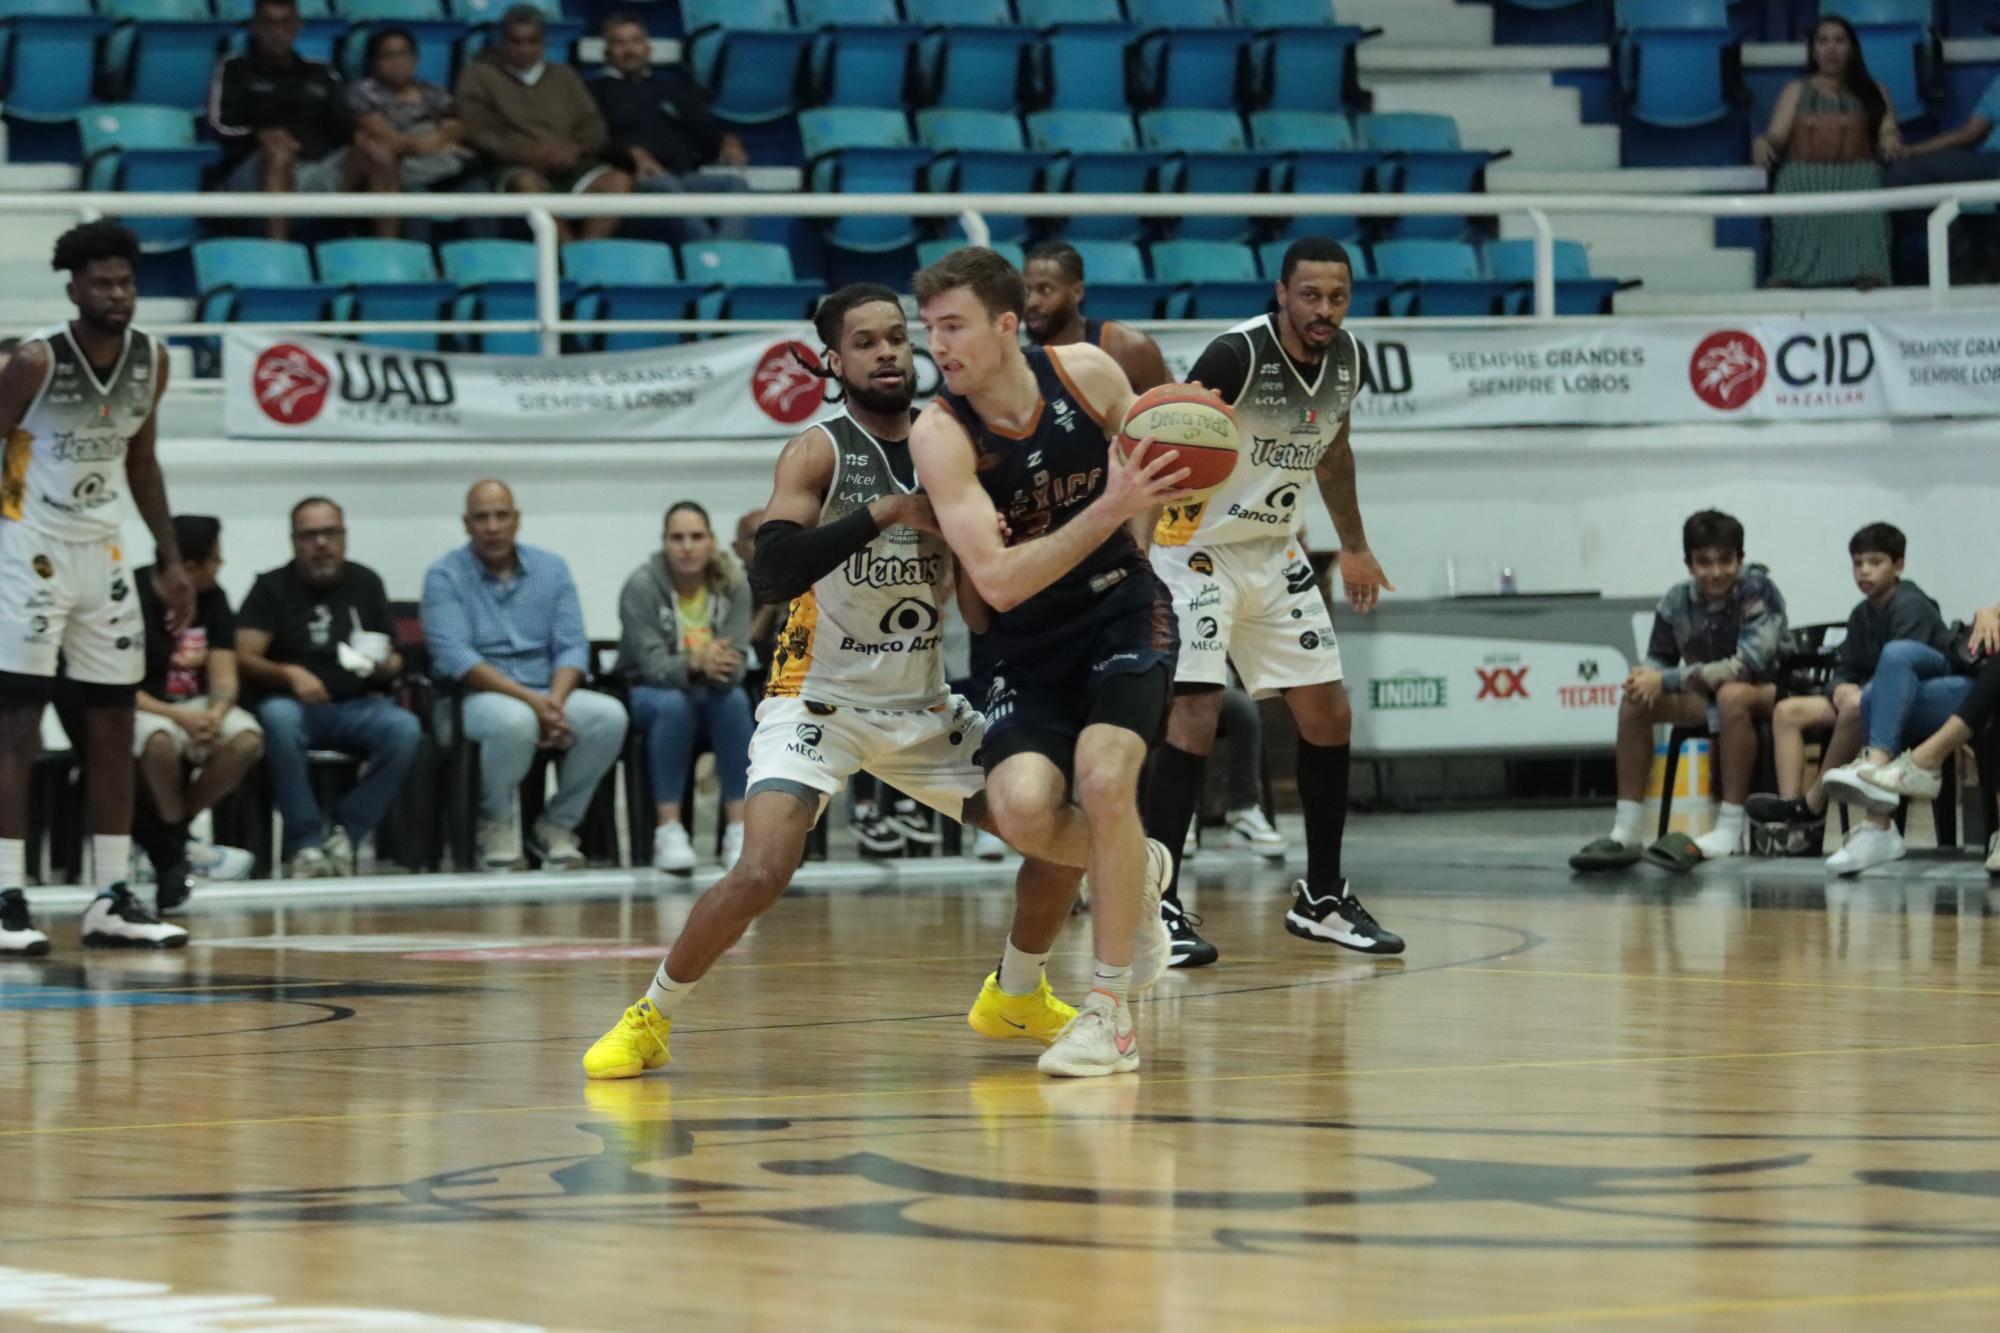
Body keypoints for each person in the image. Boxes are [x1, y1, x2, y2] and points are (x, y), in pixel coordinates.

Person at [581, 283, 1170, 1082]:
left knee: (1046, 824)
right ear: (834, 360)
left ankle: (1017, 991)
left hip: (920, 703)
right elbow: (771, 572)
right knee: (762, 869)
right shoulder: (819, 450)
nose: (888, 352)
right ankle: (650, 1015)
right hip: (817, 703)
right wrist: (889, 512)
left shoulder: (950, 438)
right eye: (865, 342)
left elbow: (982, 603)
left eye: (897, 336)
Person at [912, 247, 1188, 1077]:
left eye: (953, 326)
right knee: (1024, 813)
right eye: (930, 330)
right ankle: (1138, 865)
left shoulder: (1087, 374)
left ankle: (1108, 1013)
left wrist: (1138, 530)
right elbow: (997, 582)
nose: (939, 346)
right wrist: (1110, 508)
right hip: (1023, 642)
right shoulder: (940, 433)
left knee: (1104, 778)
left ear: (1006, 325)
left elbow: (1162, 463)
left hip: (1120, 611)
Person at [1139, 237, 1400, 968]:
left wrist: (1355, 545)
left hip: (1274, 549)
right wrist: (1135, 558)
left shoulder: (1348, 360)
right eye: (1310, 295)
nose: (1324, 310)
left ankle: (1322, 898)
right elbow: (1163, 449)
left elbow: (1335, 454)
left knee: (1329, 714)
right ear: (1282, 292)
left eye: (1338, 297)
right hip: (1192, 549)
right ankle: (1156, 904)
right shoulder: (1235, 356)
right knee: (1195, 713)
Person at [0, 221, 191, 954]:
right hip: (29, 547)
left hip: (102, 550)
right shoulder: (35, 360)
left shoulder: (152, 360)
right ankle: (6, 894)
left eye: (126, 282)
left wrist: (169, 558)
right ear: (74, 288)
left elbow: (141, 461)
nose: (118, 294)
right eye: (103, 283)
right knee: (17, 723)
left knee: (113, 719)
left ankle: (112, 895)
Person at [422, 479, 627, 872]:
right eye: (482, 517)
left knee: (608, 717)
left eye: (501, 516)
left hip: (548, 692)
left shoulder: (552, 569)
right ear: (466, 524)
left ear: (516, 520)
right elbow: (457, 659)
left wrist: (554, 702)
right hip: (470, 701)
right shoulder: (444, 576)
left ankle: (556, 825)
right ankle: (494, 824)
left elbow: (572, 646)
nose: (492, 527)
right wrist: (535, 704)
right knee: (515, 721)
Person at [1570, 510, 1788, 874]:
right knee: (1636, 702)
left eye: (1725, 560)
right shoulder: (1676, 599)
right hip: (1706, 694)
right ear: (1689, 564)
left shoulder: (1758, 590)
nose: (1715, 572)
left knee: (1732, 694)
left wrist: (1666, 680)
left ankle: (1729, 828)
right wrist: (1644, 678)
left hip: (1769, 691)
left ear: (1740, 559)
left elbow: (1748, 665)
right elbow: (1659, 658)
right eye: (1704, 562)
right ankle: (1627, 829)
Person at [237, 497, 422, 878]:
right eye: (310, 535)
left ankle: (345, 835)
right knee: (278, 718)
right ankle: (304, 843)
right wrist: (290, 675)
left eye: (329, 533)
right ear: (294, 541)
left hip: (355, 703)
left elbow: (392, 653)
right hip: (293, 706)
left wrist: (388, 665)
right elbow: (244, 656)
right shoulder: (271, 587)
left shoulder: (365, 582)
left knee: (404, 728)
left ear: (344, 536)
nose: (321, 544)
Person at [1746, 522, 1949, 853]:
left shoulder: (1912, 605)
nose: (1864, 571)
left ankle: (1812, 807)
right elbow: (1844, 667)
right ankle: (1790, 814)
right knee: (1787, 711)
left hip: (1911, 703)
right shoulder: (1861, 613)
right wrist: (1839, 688)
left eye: (1875, 562)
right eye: (1858, 563)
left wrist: (1855, 692)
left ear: (1898, 566)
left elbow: (1901, 672)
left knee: (1857, 704)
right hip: (1864, 696)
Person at [616, 500, 753, 873]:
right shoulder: (642, 586)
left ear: (711, 541)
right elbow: (652, 666)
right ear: (664, 543)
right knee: (673, 705)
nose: (687, 547)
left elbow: (738, 660)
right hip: (647, 690)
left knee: (735, 701)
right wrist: (696, 662)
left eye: (696, 536)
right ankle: (669, 830)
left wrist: (720, 665)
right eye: (677, 538)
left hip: (711, 689)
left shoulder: (733, 586)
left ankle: (739, 828)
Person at [132, 514, 261, 908]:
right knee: (157, 741)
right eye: (216, 558)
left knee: (246, 738)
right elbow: (120, 688)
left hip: (197, 705)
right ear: (189, 567)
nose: (221, 566)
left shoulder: (213, 598)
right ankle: (176, 845)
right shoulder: (132, 596)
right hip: (146, 704)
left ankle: (171, 835)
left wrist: (216, 713)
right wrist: (180, 718)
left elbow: (224, 675)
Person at [208, 0, 399, 241]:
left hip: (313, 171)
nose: (278, 32)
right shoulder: (234, 68)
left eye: (285, 23)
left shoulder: (320, 72)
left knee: (378, 151)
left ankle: (389, 249)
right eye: (269, 23)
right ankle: (277, 250)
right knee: (279, 151)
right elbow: (219, 125)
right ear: (255, 27)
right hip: (252, 175)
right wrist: (258, 134)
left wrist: (365, 133)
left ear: (298, 26)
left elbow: (345, 126)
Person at [454, 5, 634, 243]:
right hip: (513, 166)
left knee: (618, 181)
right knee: (526, 184)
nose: (524, 49)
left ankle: (585, 252)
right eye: (516, 41)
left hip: (572, 164)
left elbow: (594, 125)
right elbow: (479, 130)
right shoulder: (478, 76)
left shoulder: (565, 76)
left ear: (544, 43)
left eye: (532, 41)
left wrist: (576, 149)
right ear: (502, 42)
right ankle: (565, 254)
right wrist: (530, 153)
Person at [1846, 599, 2000, 873]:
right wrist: (1986, 613)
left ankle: (1925, 760)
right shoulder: (1861, 613)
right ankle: (1877, 811)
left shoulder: (1911, 603)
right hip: (1976, 665)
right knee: (1891, 664)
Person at [1754, 16, 1899, 289]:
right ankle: (1790, 274)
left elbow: (1888, 131)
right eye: (1823, 41)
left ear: (1852, 49)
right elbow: (1776, 136)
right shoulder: (1796, 90)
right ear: (1813, 50)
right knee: (1791, 184)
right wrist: (1763, 143)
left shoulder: (1874, 90)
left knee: (1870, 180)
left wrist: (1890, 140)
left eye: (1839, 41)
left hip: (1857, 175)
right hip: (1804, 178)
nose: (1831, 48)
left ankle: (1869, 271)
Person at [589, 11, 751, 243]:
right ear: (607, 52)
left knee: (734, 184)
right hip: (634, 181)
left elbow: (705, 130)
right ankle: (711, 250)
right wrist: (632, 153)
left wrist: (728, 142)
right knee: (665, 185)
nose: (629, 50)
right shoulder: (594, 92)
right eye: (620, 43)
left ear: (648, 48)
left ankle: (727, 250)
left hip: (682, 176)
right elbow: (593, 140)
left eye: (635, 41)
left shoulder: (673, 89)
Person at [1021, 242, 1171, 394]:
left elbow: (1165, 407)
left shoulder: (1128, 348)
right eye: (1026, 291)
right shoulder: (1020, 364)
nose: (1031, 302)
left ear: (1077, 292)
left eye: (1045, 290)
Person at [348, 28, 475, 202]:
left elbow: (455, 128)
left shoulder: (432, 91)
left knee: (478, 190)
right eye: (389, 55)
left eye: (403, 54)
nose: (398, 62)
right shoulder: (364, 92)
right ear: (375, 62)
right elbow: (384, 134)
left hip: (436, 159)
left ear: (415, 59)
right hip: (399, 165)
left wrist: (435, 140)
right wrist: (425, 144)